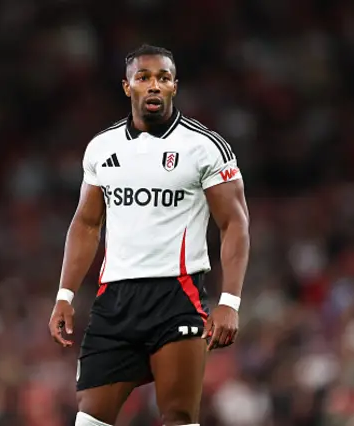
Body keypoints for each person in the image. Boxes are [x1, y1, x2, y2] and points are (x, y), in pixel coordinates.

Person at [48, 44, 250, 426]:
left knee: (178, 416)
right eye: (143, 78)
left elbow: (235, 222)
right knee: (89, 419)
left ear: (175, 86)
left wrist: (230, 301)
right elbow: (86, 224)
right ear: (127, 87)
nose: (153, 85)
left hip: (177, 296)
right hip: (115, 301)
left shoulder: (205, 147)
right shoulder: (101, 148)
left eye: (163, 78)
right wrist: (65, 294)